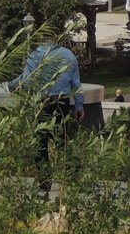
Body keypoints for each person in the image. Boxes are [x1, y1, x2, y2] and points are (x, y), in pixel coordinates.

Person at [7, 25, 85, 190]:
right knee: (61, 140)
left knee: (41, 143)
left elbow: (27, 80)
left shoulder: (35, 55)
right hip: (62, 102)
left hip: (42, 102)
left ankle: (44, 180)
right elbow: (76, 84)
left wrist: (12, 86)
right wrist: (79, 105)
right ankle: (70, 175)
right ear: (56, 38)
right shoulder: (68, 55)